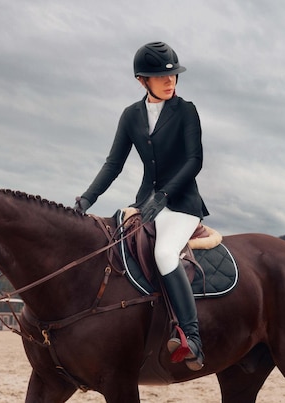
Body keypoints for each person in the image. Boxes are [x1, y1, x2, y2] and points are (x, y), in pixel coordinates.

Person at [74, 41, 209, 371]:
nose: (170, 81)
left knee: (164, 253)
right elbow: (113, 164)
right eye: (161, 77)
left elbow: (194, 160)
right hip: (144, 203)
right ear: (141, 81)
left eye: (174, 76)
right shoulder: (131, 115)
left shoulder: (186, 110)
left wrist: (163, 196)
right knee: (113, 243)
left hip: (180, 204)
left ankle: (192, 337)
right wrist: (85, 200)